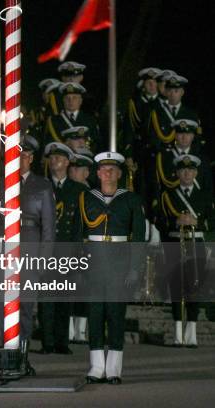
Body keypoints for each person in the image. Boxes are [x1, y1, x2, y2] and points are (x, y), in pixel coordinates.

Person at [0, 134, 56, 376]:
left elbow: (48, 227)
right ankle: (7, 354)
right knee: (3, 304)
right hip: (5, 248)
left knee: (25, 305)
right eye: (17, 155)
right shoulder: (0, 185)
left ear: (32, 158)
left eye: (25, 156)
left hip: (30, 246)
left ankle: (22, 356)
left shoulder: (43, 186)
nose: (21, 160)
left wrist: (44, 258)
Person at [81, 152, 145, 385]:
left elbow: (138, 237)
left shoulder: (131, 200)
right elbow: (79, 236)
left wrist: (135, 269)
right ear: (97, 173)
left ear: (119, 173)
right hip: (94, 262)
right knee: (95, 315)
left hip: (120, 262)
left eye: (112, 170)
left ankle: (114, 369)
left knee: (116, 315)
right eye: (103, 169)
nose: (108, 173)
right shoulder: (86, 198)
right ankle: (96, 367)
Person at [157, 155, 212, 348]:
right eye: (182, 170)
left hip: (196, 242)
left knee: (195, 286)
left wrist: (197, 223)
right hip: (175, 242)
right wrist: (175, 222)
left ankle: (192, 333)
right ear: (177, 173)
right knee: (176, 286)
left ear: (196, 173)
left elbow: (211, 220)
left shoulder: (204, 195)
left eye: (190, 170)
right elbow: (159, 220)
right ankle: (178, 332)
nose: (187, 173)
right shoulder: (168, 195)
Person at [39, 142, 86, 354]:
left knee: (64, 297)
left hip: (66, 249)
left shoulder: (78, 190)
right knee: (46, 298)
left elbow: (78, 224)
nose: (54, 161)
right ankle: (47, 342)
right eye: (52, 158)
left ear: (67, 162)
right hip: (44, 249)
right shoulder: (41, 186)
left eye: (59, 158)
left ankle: (62, 342)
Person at [44, 82, 99, 151]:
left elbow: (96, 142)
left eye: (74, 98)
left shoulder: (90, 119)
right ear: (63, 100)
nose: (70, 101)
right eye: (67, 98)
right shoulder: (54, 120)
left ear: (80, 101)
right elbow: (49, 144)